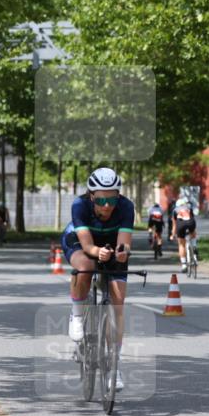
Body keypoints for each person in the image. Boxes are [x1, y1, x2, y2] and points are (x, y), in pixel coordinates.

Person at [62, 167, 134, 392]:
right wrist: (97, 251)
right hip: (82, 240)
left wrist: (123, 252)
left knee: (118, 299)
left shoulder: (126, 207)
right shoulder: (79, 205)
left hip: (111, 242)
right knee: (86, 266)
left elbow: (124, 241)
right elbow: (87, 245)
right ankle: (76, 315)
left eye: (112, 198)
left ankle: (114, 366)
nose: (107, 205)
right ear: (91, 195)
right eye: (101, 199)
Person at [173, 196, 198, 273]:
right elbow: (193, 219)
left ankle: (184, 264)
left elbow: (174, 224)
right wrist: (194, 232)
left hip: (181, 225)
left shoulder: (175, 210)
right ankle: (194, 249)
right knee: (193, 234)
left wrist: (173, 234)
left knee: (181, 244)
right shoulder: (189, 208)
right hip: (191, 223)